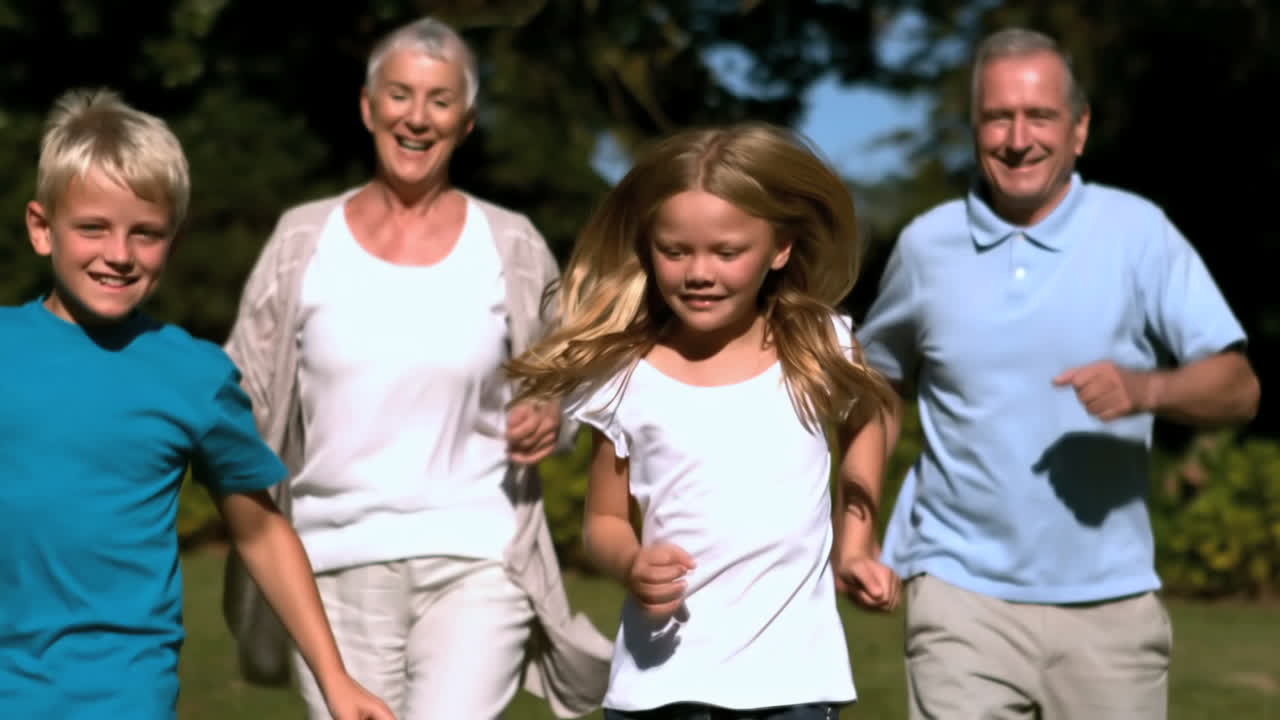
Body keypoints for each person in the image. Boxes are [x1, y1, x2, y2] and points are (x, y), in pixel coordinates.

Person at [856, 27, 1261, 720]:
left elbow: (1239, 387)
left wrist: (1146, 388)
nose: (1018, 138)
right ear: (975, 128)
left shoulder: (1138, 233)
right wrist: (856, 525)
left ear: (1078, 130)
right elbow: (877, 383)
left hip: (1110, 609)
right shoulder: (927, 246)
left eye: (1039, 115)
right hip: (960, 598)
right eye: (997, 117)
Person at [220, 15, 610, 720]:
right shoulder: (304, 239)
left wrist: (550, 414)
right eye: (399, 95)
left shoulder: (511, 244)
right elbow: (239, 386)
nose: (417, 117)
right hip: (329, 563)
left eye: (439, 100)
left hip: (477, 554)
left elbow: (570, 375)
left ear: (466, 122)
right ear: (369, 109)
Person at [0, 88, 394, 720]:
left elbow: (262, 530)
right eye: (92, 228)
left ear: (172, 244)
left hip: (124, 693)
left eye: (145, 234)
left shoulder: (193, 375)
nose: (119, 254)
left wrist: (335, 678)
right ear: (43, 230)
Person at [508, 122, 901, 720]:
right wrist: (632, 564)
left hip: (792, 684)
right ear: (649, 249)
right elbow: (605, 521)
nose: (699, 272)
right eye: (676, 251)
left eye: (726, 252)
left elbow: (870, 417)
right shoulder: (625, 376)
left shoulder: (819, 347)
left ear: (780, 248)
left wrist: (855, 541)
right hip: (661, 686)